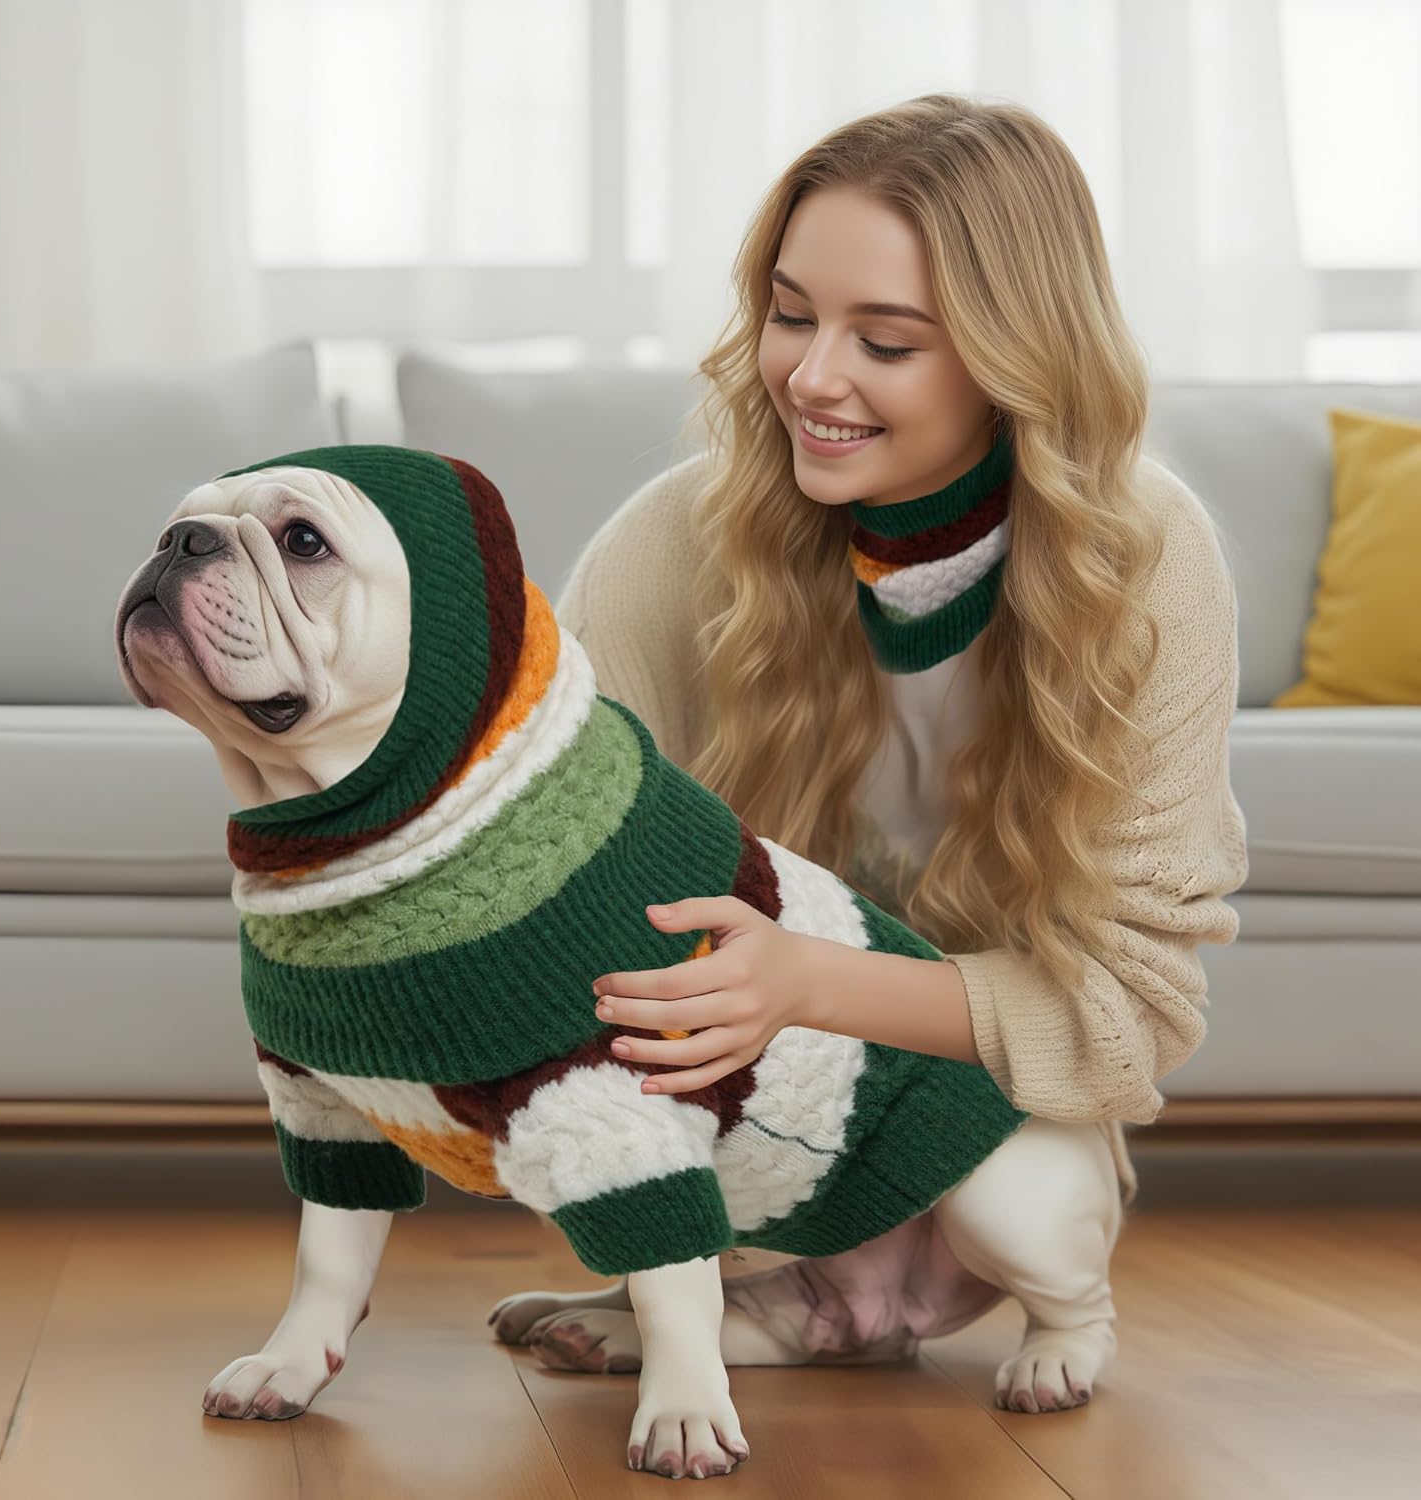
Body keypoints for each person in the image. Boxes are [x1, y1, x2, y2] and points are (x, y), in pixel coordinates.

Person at [496, 91, 1248, 1376]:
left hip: (990, 1104)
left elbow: (1133, 1014)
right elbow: (551, 835)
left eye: (885, 342)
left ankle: (886, 1296)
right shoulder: (678, 538)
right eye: (791, 314)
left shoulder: (1148, 559)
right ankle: (793, 1308)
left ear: (1018, 359)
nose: (811, 376)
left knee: (1008, 1189)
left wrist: (810, 979)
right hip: (757, 1086)